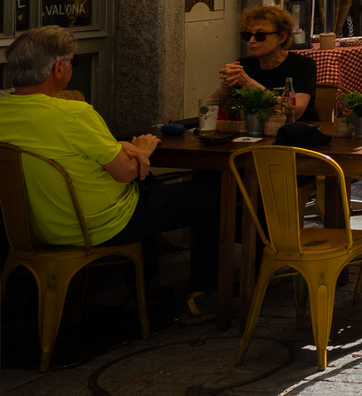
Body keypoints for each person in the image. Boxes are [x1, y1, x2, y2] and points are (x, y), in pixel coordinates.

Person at [0, 27, 219, 320]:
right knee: (213, 196)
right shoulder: (73, 113)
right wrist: (141, 151)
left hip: (32, 227)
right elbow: (127, 173)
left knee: (147, 186)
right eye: (72, 62)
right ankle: (204, 295)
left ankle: (144, 288)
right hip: (99, 224)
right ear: (58, 68)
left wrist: (119, 148)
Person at [209, 5, 319, 122]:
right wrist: (226, 85)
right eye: (247, 35)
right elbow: (210, 110)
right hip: (255, 132)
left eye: (260, 36)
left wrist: (248, 83)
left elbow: (293, 111)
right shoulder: (244, 65)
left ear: (282, 37)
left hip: (298, 132)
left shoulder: (303, 65)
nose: (251, 41)